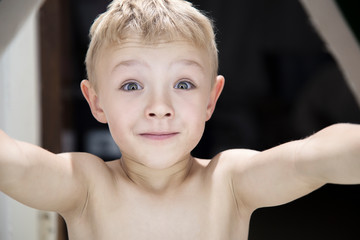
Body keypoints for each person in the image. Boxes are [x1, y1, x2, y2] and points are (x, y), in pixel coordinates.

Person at [1, 0, 360, 239]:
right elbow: (13, 165)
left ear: (211, 99)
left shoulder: (230, 181)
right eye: (131, 85)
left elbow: (311, 160)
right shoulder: (85, 185)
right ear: (96, 102)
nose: (159, 106)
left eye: (183, 84)